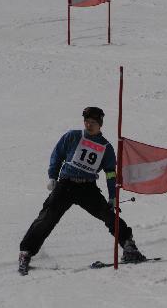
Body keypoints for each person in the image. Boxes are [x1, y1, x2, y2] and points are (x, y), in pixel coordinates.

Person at [18, 106, 145, 275]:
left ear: (100, 124)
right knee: (47, 217)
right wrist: (52, 176)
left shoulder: (106, 147)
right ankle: (26, 252)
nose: (89, 125)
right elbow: (57, 155)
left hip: (87, 188)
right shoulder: (72, 136)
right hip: (66, 184)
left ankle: (128, 245)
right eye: (86, 121)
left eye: (93, 122)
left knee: (107, 215)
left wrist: (113, 196)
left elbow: (110, 173)